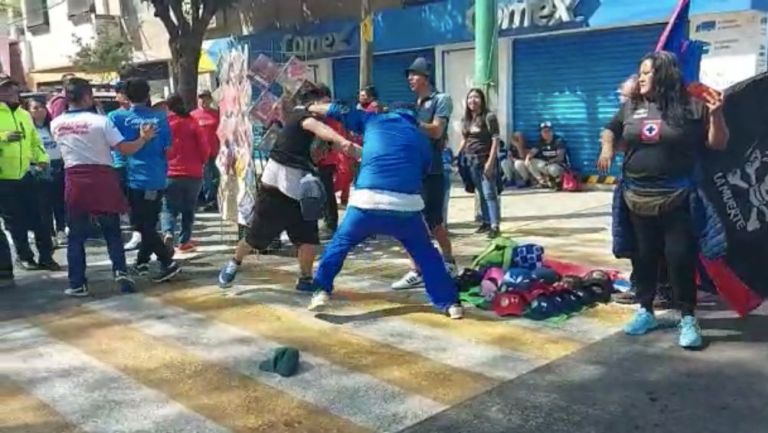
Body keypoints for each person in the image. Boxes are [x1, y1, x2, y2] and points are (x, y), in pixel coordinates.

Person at [598, 51, 729, 349]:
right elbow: (610, 129)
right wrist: (607, 148)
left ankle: (687, 318)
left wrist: (717, 114)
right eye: (640, 72)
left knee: (679, 258)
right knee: (643, 257)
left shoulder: (693, 106)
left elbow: (718, 143)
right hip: (635, 198)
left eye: (646, 72)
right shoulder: (632, 106)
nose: (641, 77)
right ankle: (646, 311)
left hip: (677, 197)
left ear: (664, 74)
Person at [304, 101, 464, 318]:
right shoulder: (421, 139)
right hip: (406, 208)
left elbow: (337, 110)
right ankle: (450, 304)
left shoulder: (372, 119)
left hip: (366, 204)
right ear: (415, 120)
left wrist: (312, 107)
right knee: (427, 255)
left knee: (340, 244)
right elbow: (424, 170)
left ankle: (321, 290)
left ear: (387, 111)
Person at [217, 86, 359, 291]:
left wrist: (362, 151)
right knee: (256, 238)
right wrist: (342, 140)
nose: (330, 109)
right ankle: (234, 262)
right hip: (275, 191)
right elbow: (323, 132)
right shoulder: (301, 116)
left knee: (309, 239)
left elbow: (334, 144)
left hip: (302, 191)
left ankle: (305, 279)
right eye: (326, 104)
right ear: (314, 103)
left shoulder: (321, 124)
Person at [51, 78, 155, 297]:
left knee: (76, 235)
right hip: (102, 177)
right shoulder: (101, 121)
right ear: (88, 96)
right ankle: (121, 272)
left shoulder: (56, 123)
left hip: (75, 178)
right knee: (112, 230)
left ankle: (77, 282)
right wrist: (143, 139)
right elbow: (125, 149)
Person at [392, 57, 457, 290]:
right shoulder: (415, 104)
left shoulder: (441, 100)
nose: (410, 78)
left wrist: (410, 122)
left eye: (414, 74)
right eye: (409, 75)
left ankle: (448, 261)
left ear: (426, 77)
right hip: (412, 171)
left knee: (435, 222)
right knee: (410, 221)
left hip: (433, 171)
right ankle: (415, 270)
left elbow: (437, 131)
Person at [109, 78, 181, 282]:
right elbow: (169, 150)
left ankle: (167, 260)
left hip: (133, 177)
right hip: (157, 177)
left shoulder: (116, 117)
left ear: (125, 96)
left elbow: (115, 147)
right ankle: (142, 261)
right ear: (148, 95)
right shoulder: (160, 118)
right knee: (148, 221)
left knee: (141, 224)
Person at [0, 75, 59, 272]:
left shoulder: (24, 115)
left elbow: (35, 141)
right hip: (4, 178)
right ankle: (25, 257)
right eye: (5, 89)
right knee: (15, 222)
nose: (11, 93)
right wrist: (3, 137)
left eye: (12, 89)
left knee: (40, 218)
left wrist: (42, 158)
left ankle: (46, 257)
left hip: (27, 174)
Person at [161, 94, 210, 252]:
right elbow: (204, 148)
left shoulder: (165, 124)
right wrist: (202, 162)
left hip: (170, 172)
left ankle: (168, 232)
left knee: (168, 207)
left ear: (168, 107)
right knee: (188, 209)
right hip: (193, 173)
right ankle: (184, 241)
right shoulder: (192, 122)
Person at [456, 88, 502, 238]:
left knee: (489, 193)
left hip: (485, 159)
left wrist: (490, 162)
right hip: (471, 161)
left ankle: (495, 225)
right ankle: (486, 222)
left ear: (482, 100)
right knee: (480, 193)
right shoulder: (466, 120)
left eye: (476, 97)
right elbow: (465, 139)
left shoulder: (489, 117)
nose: (472, 101)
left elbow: (495, 140)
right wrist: (457, 156)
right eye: (470, 98)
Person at [24, 98, 67, 247]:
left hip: (58, 165)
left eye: (42, 107)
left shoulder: (52, 126)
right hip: (40, 168)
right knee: (44, 204)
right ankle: (50, 233)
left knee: (59, 202)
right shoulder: (29, 129)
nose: (39, 111)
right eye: (35, 108)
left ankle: (61, 229)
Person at [112, 81, 142, 251]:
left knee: (132, 201)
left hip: (130, 163)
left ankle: (137, 232)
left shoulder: (119, 116)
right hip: (120, 163)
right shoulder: (115, 116)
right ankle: (133, 231)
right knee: (125, 200)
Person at [191, 90, 221, 211]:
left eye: (206, 98)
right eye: (201, 98)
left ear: (210, 100)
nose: (203, 101)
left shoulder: (217, 114)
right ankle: (207, 200)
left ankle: (216, 199)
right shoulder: (193, 115)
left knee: (216, 176)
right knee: (205, 176)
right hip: (200, 152)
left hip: (216, 150)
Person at [525, 122, 568, 188]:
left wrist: (551, 161)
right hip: (547, 165)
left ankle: (558, 181)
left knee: (553, 169)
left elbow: (560, 157)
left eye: (548, 131)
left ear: (552, 131)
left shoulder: (558, 141)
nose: (546, 134)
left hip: (558, 165)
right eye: (543, 132)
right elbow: (532, 152)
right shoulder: (541, 142)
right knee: (530, 162)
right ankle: (542, 182)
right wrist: (527, 158)